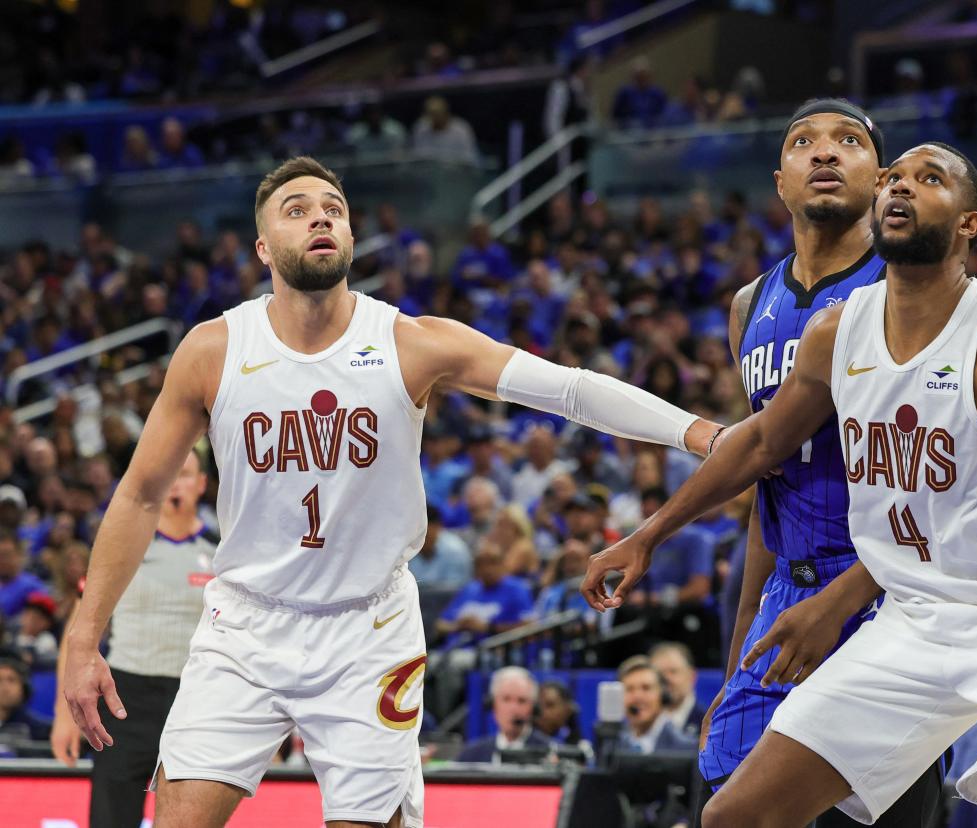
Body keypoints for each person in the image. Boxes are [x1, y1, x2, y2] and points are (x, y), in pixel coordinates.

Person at [61, 155, 722, 828]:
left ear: (349, 237)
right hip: (246, 624)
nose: (320, 215)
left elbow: (569, 388)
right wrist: (82, 639)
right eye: (296, 209)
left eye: (333, 208)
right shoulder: (214, 349)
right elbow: (140, 496)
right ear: (263, 247)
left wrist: (696, 432)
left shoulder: (410, 342)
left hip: (368, 630)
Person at [584, 142, 977, 827]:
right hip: (915, 612)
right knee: (734, 816)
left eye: (929, 180)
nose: (901, 188)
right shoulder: (837, 332)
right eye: (894, 178)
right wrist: (648, 535)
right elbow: (757, 443)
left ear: (969, 223)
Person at [695, 97, 941, 827]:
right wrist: (738, 651)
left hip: (892, 597)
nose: (825, 153)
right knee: (727, 796)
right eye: (804, 141)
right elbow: (765, 479)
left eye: (849, 141)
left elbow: (940, 483)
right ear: (781, 180)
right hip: (788, 594)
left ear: (884, 178)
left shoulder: (910, 289)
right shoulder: (750, 304)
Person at [50, 450, 215, 828]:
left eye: (186, 474)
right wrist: (64, 717)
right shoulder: (121, 551)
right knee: (111, 818)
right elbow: (79, 633)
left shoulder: (221, 553)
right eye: (170, 473)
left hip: (194, 701)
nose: (177, 483)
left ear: (202, 484)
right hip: (124, 700)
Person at [456, 666, 549, 763]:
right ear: (493, 704)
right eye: (506, 699)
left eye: (521, 701)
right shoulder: (471, 756)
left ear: (533, 708)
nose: (514, 709)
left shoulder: (548, 754)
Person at [617, 656, 696, 754]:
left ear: (663, 695)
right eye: (629, 689)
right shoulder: (611, 744)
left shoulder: (686, 747)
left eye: (646, 688)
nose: (637, 696)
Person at [406, 505, 472, 589]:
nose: (420, 538)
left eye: (425, 534)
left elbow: (454, 591)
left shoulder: (455, 551)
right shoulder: (406, 550)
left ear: (438, 527)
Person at [650, 641, 706, 737]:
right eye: (659, 673)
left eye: (673, 671)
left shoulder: (709, 722)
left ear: (692, 677)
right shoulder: (642, 722)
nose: (666, 678)